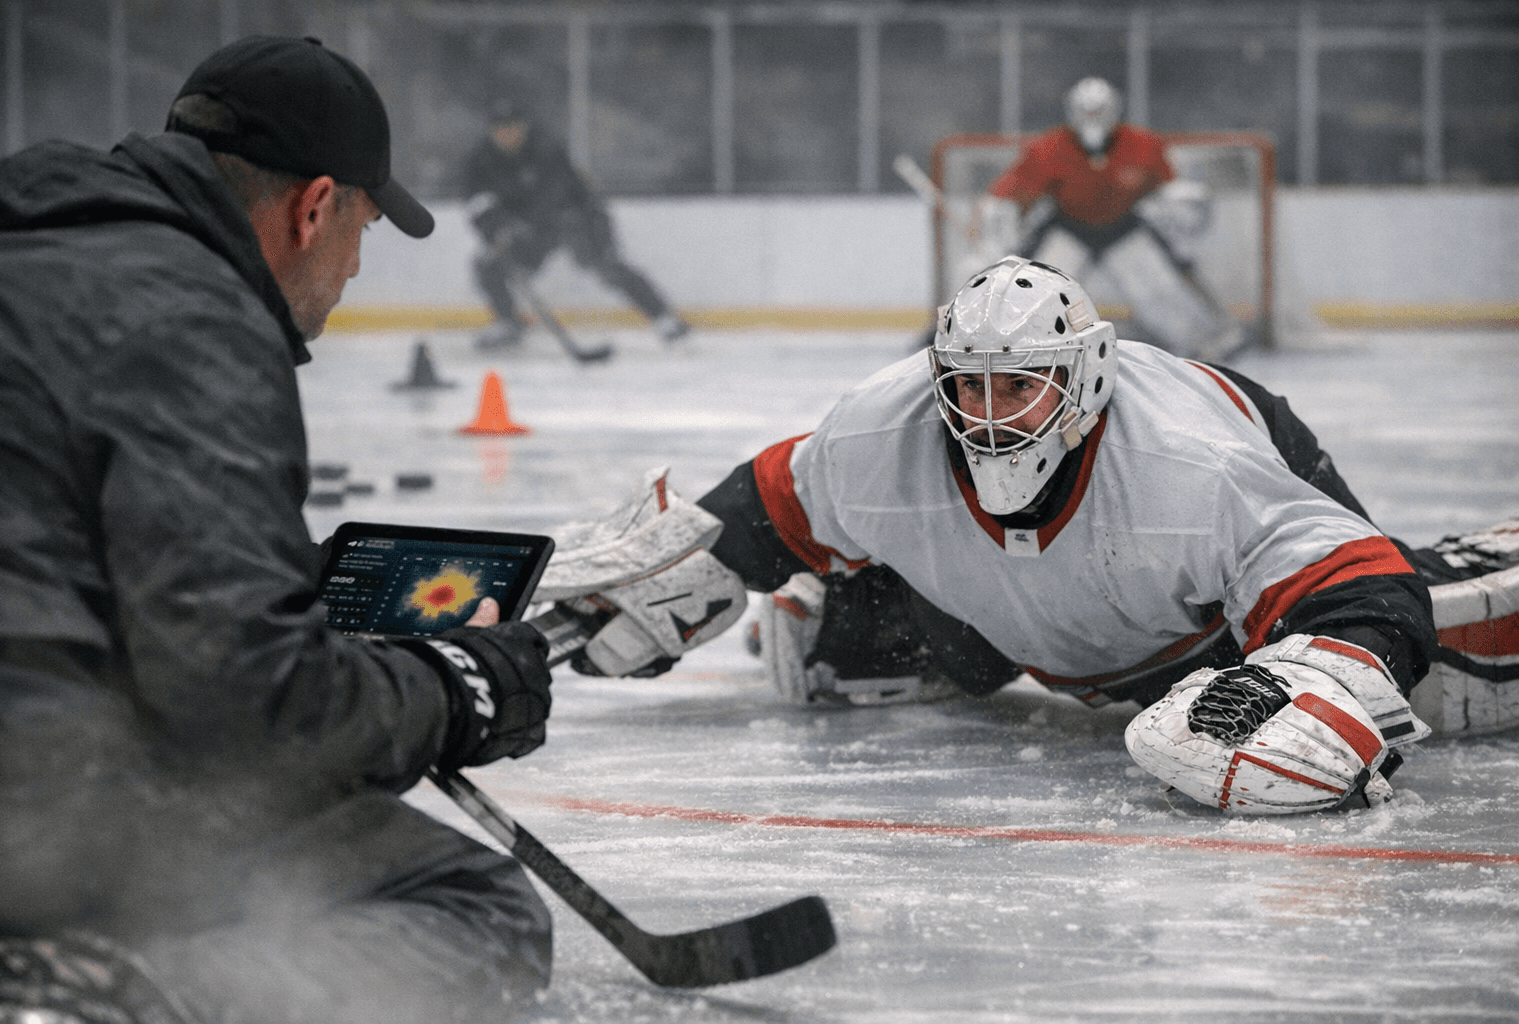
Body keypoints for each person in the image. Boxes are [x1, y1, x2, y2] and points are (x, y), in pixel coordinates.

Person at [0, 36, 555, 1024]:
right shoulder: (187, 317)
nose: (356, 267)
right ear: (314, 207)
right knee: (474, 902)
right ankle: (94, 1001)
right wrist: (454, 688)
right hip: (21, 811)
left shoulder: (19, 260)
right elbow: (249, 707)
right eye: (364, 229)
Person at [541, 256, 1517, 817]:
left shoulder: (1194, 464)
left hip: (1196, 618)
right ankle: (864, 608)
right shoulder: (879, 431)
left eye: (1017, 385)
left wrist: (1329, 670)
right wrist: (679, 580)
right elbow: (770, 508)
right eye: (966, 385)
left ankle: (1467, 575)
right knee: (837, 650)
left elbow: (1352, 578)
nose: (987, 413)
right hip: (1017, 620)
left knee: (1386, 664)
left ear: (1085, 376)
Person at [980, 77, 1243, 360]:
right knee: (1044, 293)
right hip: (1068, 227)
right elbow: (1010, 195)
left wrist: (1177, 216)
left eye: (1100, 111)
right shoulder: (1047, 148)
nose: (1092, 119)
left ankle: (1201, 346)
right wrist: (999, 229)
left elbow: (1170, 191)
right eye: (1085, 111)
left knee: (1157, 293)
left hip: (1124, 227)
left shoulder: (1144, 145)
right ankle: (1017, 347)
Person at [462, 99, 690, 351]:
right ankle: (509, 324)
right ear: (491, 131)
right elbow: (477, 204)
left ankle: (664, 318)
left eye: (513, 126)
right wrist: (496, 230)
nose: (507, 133)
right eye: (501, 128)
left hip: (576, 219)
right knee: (488, 263)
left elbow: (562, 195)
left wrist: (519, 227)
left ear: (524, 127)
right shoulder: (480, 161)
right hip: (529, 229)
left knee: (607, 265)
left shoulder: (546, 150)